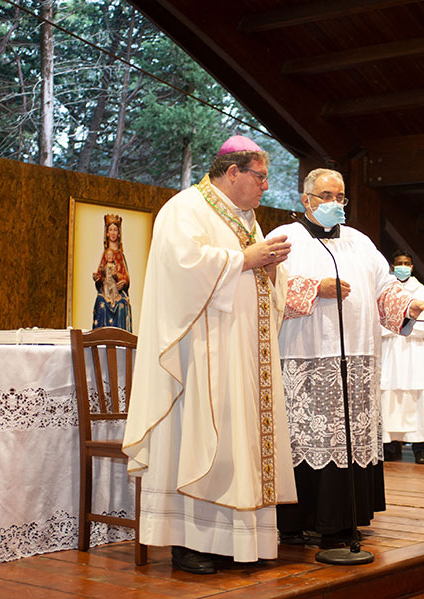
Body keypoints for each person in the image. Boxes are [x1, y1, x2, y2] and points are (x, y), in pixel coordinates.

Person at [122, 135, 296, 575]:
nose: (265, 187)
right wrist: (245, 258)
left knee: (240, 444)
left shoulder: (248, 219)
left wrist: (269, 267)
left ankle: (234, 542)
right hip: (202, 352)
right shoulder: (184, 208)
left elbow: (257, 277)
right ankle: (189, 541)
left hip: (244, 352)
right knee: (203, 440)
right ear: (232, 171)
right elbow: (183, 269)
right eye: (260, 177)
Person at [268, 168, 424, 546]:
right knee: (310, 441)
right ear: (306, 200)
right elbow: (265, 287)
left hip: (356, 360)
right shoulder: (284, 238)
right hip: (304, 359)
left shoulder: (359, 241)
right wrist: (311, 288)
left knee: (351, 440)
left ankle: (344, 519)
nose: (333, 203)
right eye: (325, 196)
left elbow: (384, 287)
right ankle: (297, 520)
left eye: (339, 197)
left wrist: (411, 305)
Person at [380, 250, 424, 464]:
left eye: (406, 263)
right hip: (390, 353)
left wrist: (400, 327)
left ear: (412, 267)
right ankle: (390, 448)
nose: (403, 266)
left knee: (416, 400)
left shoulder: (423, 293)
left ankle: (419, 450)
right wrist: (400, 326)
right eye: (399, 263)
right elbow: (377, 321)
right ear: (393, 267)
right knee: (389, 398)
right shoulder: (385, 291)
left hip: (413, 353)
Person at [91, 215, 132, 331]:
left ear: (119, 233)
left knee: (122, 305)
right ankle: (100, 339)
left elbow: (126, 278)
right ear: (107, 233)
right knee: (100, 303)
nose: (113, 233)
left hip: (118, 294)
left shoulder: (120, 255)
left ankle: (121, 340)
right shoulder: (104, 256)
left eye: (115, 230)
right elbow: (100, 277)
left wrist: (122, 281)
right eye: (110, 230)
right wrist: (98, 279)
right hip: (106, 292)